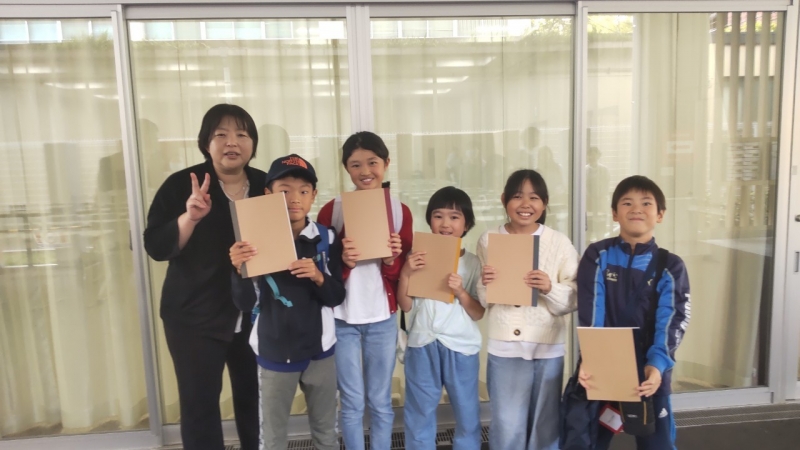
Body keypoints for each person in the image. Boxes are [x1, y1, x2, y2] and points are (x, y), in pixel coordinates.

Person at [143, 104, 264, 450]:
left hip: (256, 314)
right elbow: (156, 246)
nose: (232, 142)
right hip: (194, 317)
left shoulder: (266, 185)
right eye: (221, 134)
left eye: (242, 134)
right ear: (206, 143)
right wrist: (190, 218)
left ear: (253, 143)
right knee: (200, 406)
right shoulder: (183, 185)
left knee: (256, 399)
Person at [229, 154, 346, 450]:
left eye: (303, 191)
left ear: (313, 196)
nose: (295, 199)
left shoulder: (325, 238)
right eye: (284, 191)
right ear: (268, 194)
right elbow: (244, 302)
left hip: (320, 351)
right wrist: (238, 270)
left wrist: (318, 276)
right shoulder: (252, 242)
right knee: (273, 439)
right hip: (273, 352)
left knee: (327, 435)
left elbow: (336, 296)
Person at [577, 175, 691, 450]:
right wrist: (591, 359)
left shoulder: (670, 266)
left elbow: (672, 320)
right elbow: (592, 313)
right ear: (615, 213)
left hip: (650, 372)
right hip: (604, 366)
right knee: (587, 443)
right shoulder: (598, 255)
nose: (636, 209)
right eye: (627, 203)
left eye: (646, 203)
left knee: (657, 444)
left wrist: (657, 366)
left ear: (660, 214)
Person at [316, 131, 413, 450]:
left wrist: (391, 260)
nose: (365, 171)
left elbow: (403, 274)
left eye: (373, 162)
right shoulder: (332, 211)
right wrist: (343, 262)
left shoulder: (399, 211)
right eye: (355, 164)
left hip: (382, 318)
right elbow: (322, 271)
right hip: (343, 319)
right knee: (352, 401)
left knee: (380, 401)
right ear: (346, 168)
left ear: (386, 163)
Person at [477, 169, 579, 450]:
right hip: (505, 346)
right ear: (504, 200)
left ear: (544, 203)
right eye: (517, 196)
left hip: (548, 346)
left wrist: (549, 288)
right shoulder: (489, 239)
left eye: (534, 198)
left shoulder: (558, 242)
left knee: (545, 426)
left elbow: (576, 295)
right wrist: (486, 284)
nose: (525, 204)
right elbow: (483, 298)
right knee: (507, 424)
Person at [397, 186, 484, 450]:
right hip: (422, 343)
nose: (445, 223)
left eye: (454, 217)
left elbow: (478, 312)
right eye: (438, 216)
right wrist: (406, 273)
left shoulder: (473, 263)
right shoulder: (417, 258)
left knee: (467, 411)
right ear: (429, 220)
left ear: (466, 224)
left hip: (462, 346)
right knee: (419, 412)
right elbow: (406, 305)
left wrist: (461, 292)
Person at [586, 146, 611, 241]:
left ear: (598, 155)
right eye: (590, 155)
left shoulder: (604, 170)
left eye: (594, 154)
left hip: (601, 201)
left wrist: (601, 196)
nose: (592, 157)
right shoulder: (584, 170)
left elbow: (606, 185)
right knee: (588, 226)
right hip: (588, 202)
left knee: (600, 227)